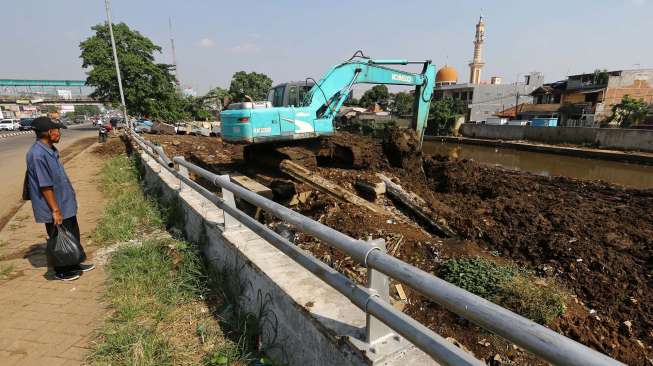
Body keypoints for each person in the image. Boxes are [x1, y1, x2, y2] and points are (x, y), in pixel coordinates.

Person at [25, 117, 95, 281]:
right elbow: (45, 186)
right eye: (57, 130)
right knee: (58, 237)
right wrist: (55, 210)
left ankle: (75, 263)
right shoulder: (37, 154)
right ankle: (62, 270)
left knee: (72, 234)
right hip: (54, 206)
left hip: (64, 203)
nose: (59, 133)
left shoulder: (50, 149)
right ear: (49, 132)